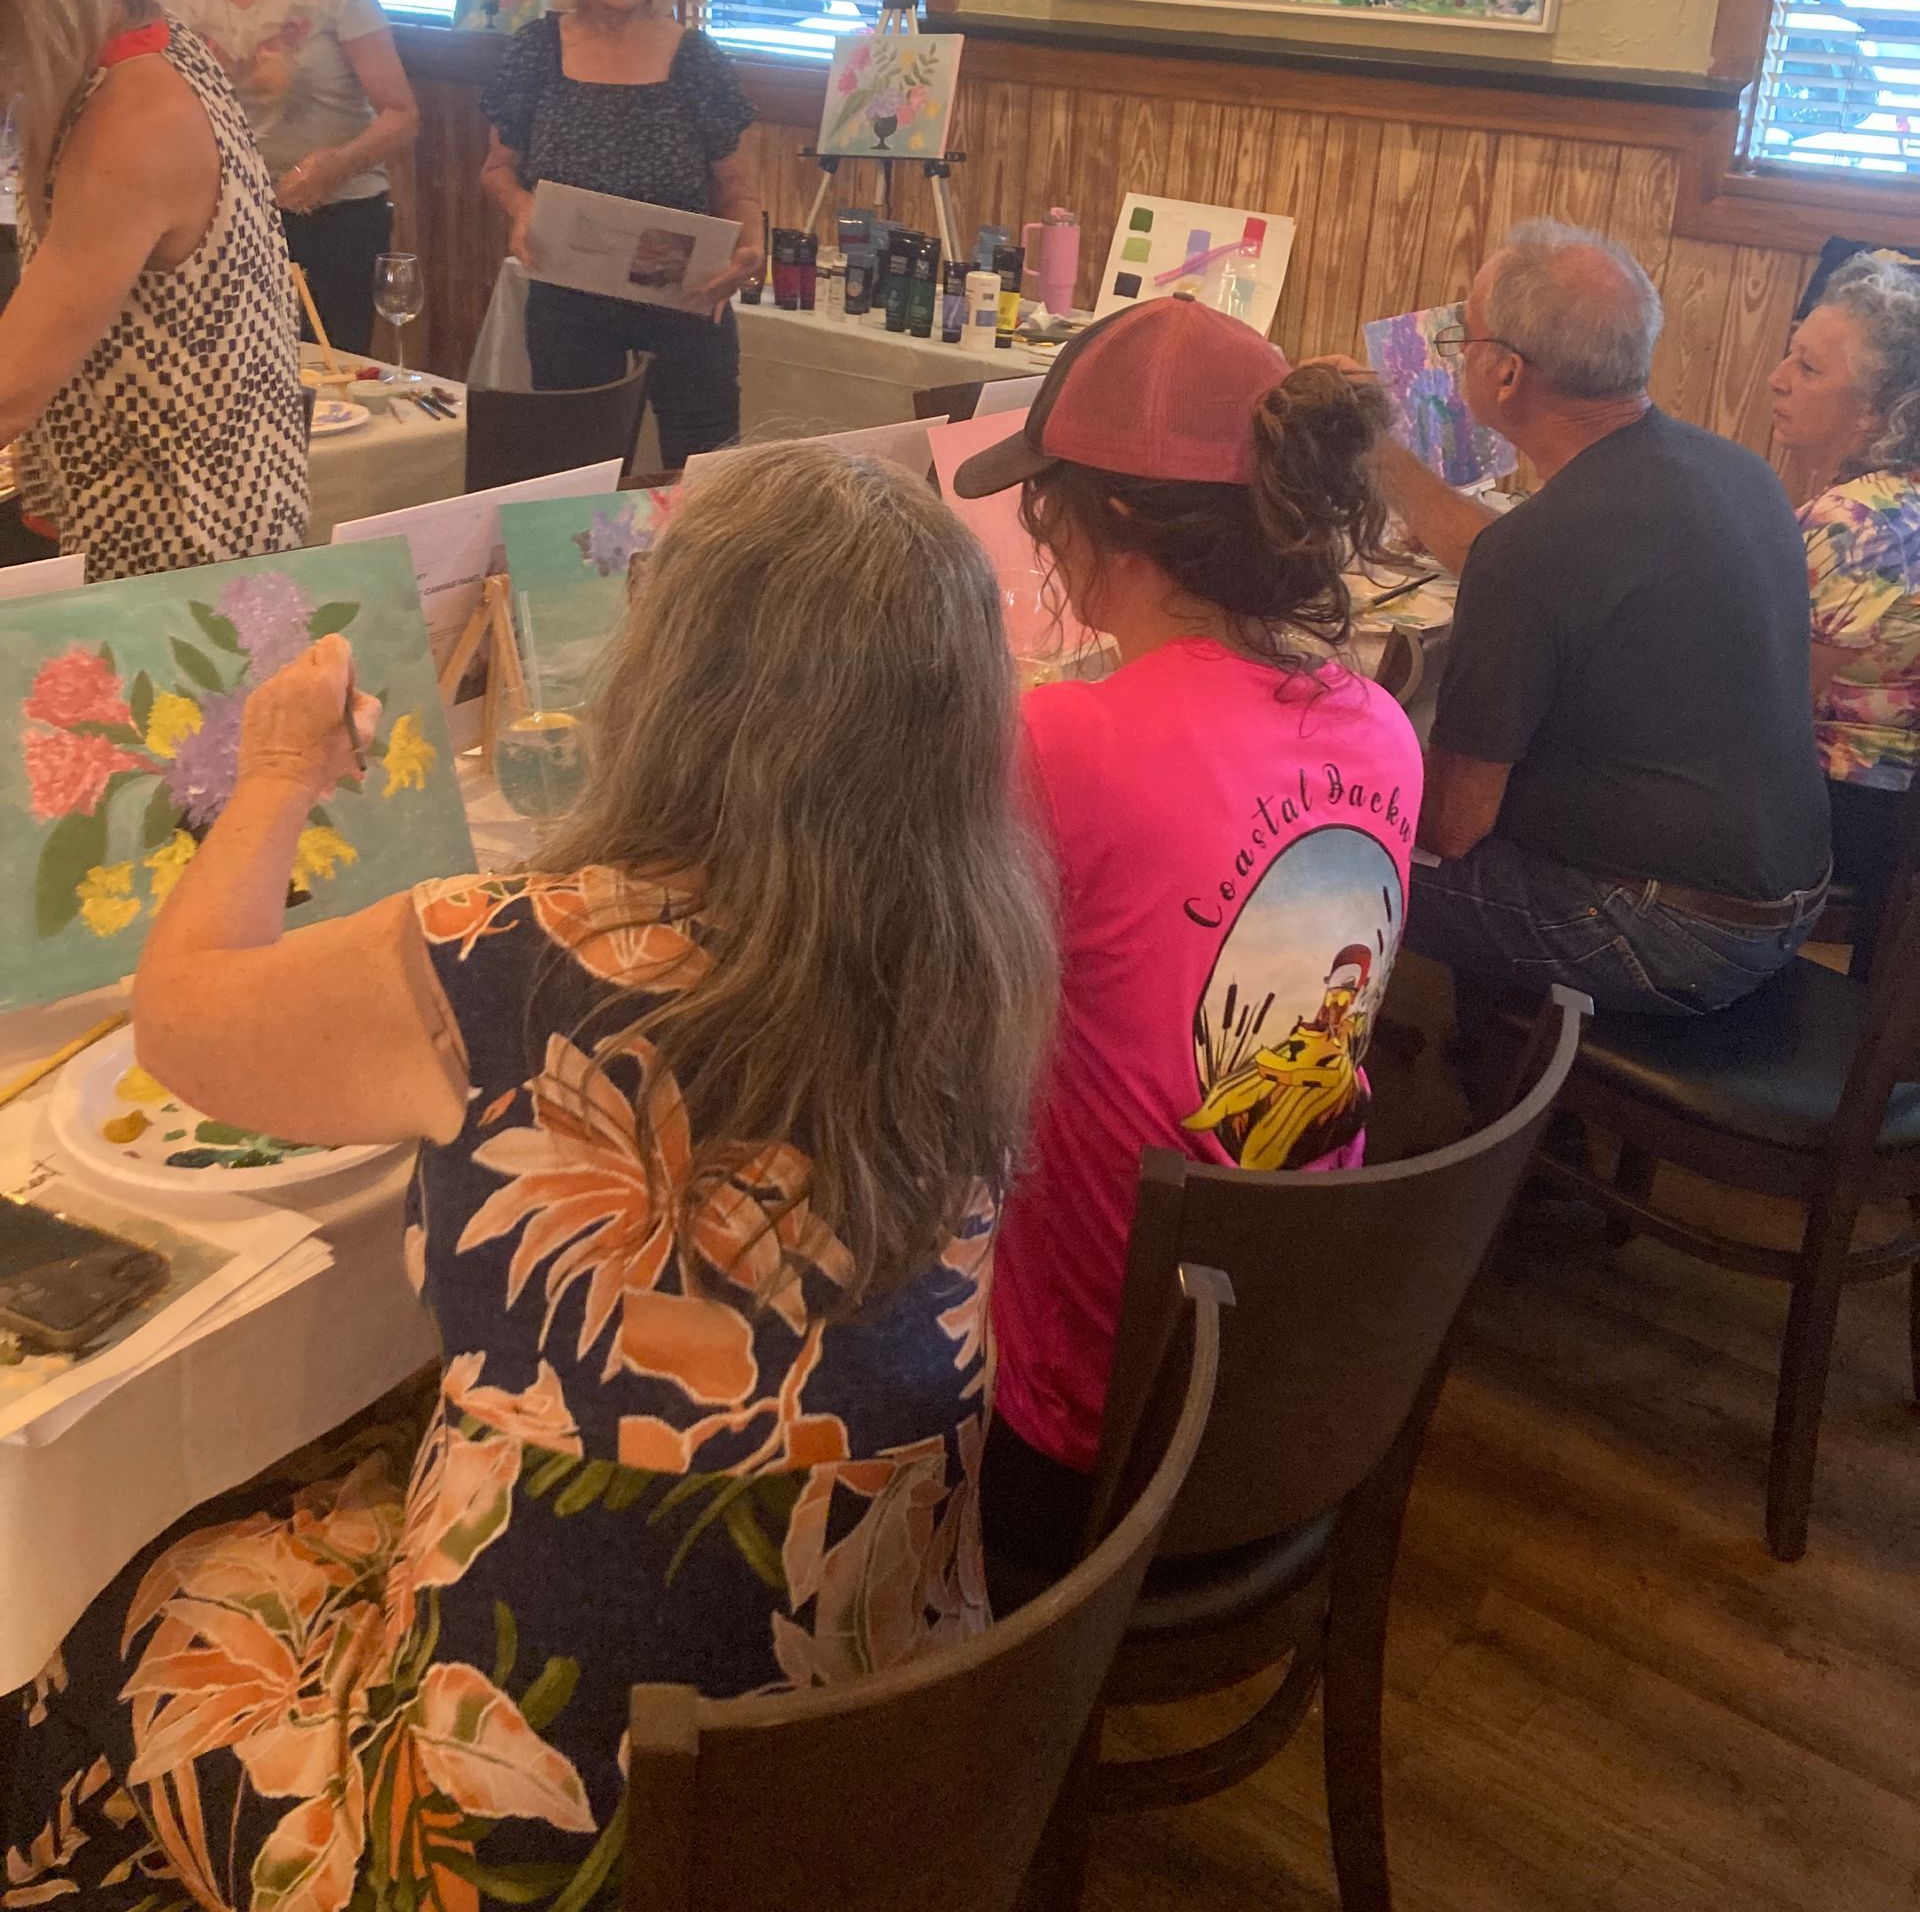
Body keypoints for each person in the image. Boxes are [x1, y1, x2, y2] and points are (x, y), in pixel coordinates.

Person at [0, 441, 1054, 1909]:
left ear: (672, 686)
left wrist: (286, 770)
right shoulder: (978, 947)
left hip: (537, 1817)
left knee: (133, 1600)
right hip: (880, 1715)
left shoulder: (511, 955)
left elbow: (182, 1018)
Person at [952, 296, 1424, 1579]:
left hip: (1089, 1416)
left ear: (1106, 525)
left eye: (1044, 504)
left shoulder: (1068, 743)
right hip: (1288, 1360)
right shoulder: (1380, 721)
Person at [1377, 220, 1830, 1018]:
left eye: (1462, 335)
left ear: (1506, 372)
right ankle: (1482, 1067)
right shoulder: (1736, 470)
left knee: (1328, 853)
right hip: (1793, 893)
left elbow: (1451, 826)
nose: (1456, 352)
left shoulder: (1535, 548)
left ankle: (1461, 1107)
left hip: (1669, 931)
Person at [0, 0, 306, 580]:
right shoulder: (118, 43)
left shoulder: (134, 115)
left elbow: (10, 389)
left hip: (181, 549)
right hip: (132, 520)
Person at [479, 0, 764, 469]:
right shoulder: (535, 50)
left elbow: (738, 192)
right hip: (568, 297)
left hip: (686, 299)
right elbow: (497, 169)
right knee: (576, 479)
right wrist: (522, 206)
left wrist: (750, 248)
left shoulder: (697, 59)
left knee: (706, 478)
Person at [161, 0, 420, 356]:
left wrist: (338, 165)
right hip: (224, 224)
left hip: (334, 221)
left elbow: (402, 115)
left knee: (326, 391)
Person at [1769, 253, 1920, 970]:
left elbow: (1772, 703)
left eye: (1807, 367)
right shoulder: (1900, 502)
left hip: (1850, 812)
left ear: (1872, 413)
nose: (1778, 378)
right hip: (1895, 809)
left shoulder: (1853, 522)